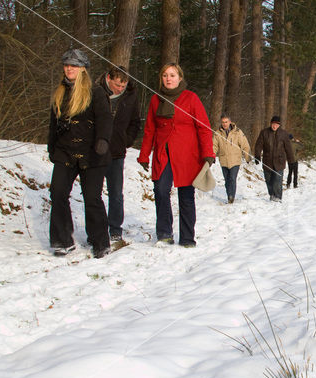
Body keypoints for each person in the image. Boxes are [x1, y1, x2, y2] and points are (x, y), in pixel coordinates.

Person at [137, 63, 215, 247]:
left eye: (172, 75)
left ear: (180, 78)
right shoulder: (156, 99)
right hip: (163, 153)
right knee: (160, 191)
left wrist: (208, 153)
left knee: (186, 195)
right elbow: (149, 129)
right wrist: (144, 155)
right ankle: (164, 233)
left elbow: (203, 127)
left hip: (187, 154)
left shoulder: (191, 98)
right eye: (165, 75)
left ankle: (187, 237)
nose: (168, 78)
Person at [48, 48, 113, 258]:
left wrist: (103, 140)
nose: (69, 69)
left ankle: (100, 241)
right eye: (67, 65)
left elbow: (105, 120)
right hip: (65, 152)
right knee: (58, 193)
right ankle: (62, 239)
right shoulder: (60, 93)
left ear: (83, 69)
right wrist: (52, 147)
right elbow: (53, 124)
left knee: (92, 197)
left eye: (74, 66)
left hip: (93, 153)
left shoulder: (96, 92)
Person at [96, 65, 141, 241]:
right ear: (108, 78)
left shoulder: (131, 95)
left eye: (123, 85)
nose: (120, 89)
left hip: (117, 151)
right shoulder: (96, 91)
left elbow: (135, 121)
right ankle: (97, 228)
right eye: (117, 85)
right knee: (94, 193)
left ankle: (115, 228)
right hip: (96, 151)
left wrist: (127, 140)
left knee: (115, 193)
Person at [254, 116, 294, 201]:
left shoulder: (284, 134)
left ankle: (278, 197)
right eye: (273, 124)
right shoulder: (264, 132)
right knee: (268, 180)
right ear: (271, 123)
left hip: (279, 161)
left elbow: (288, 148)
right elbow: (258, 145)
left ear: (279, 125)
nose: (274, 126)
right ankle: (272, 194)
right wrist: (257, 155)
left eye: (276, 124)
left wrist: (291, 161)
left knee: (277, 180)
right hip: (267, 161)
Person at [213, 113, 251, 203]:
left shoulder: (237, 132)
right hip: (223, 160)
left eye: (226, 122)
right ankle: (228, 195)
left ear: (230, 122)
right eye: (223, 122)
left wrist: (247, 157)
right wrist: (212, 156)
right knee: (227, 180)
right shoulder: (217, 133)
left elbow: (244, 144)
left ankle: (231, 197)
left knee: (232, 178)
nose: (224, 124)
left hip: (235, 160)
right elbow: (214, 146)